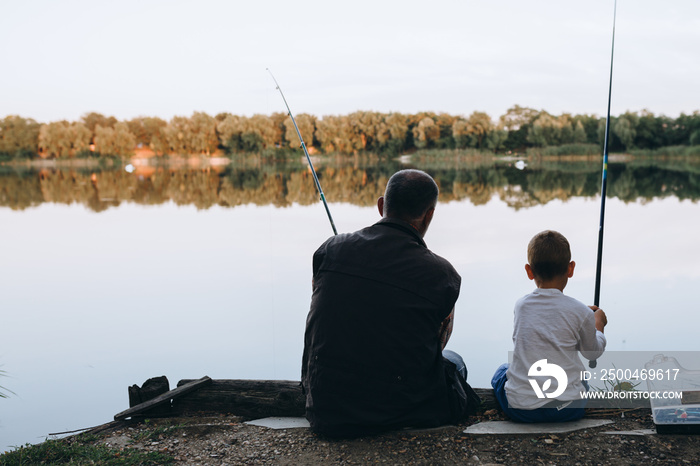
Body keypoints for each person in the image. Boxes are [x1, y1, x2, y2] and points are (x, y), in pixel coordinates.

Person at [301, 169, 479, 438]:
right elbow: (438, 343)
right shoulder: (442, 274)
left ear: (382, 205)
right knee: (454, 361)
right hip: (400, 412)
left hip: (325, 408)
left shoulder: (330, 249)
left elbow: (322, 305)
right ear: (429, 214)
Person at [491, 230, 608, 422]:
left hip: (521, 410)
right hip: (567, 409)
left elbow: (548, 321)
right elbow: (592, 353)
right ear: (571, 269)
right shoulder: (580, 312)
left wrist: (580, 317)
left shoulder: (521, 306)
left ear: (529, 271)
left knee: (502, 370)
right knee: (582, 380)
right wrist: (597, 326)